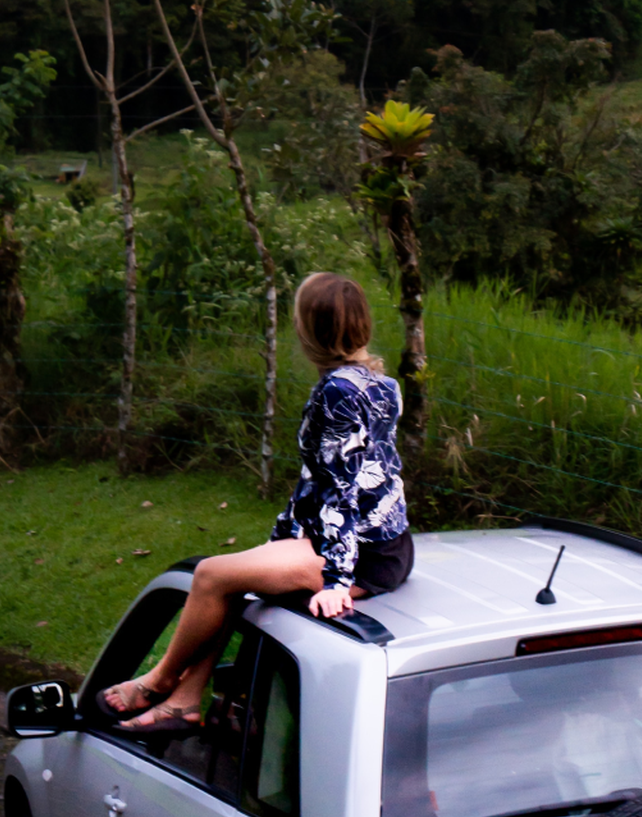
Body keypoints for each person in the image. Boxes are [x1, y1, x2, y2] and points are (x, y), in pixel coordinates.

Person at [101, 271, 413, 730]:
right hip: (386, 543)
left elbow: (343, 489)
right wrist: (284, 536)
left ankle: (160, 680)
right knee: (233, 580)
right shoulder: (380, 382)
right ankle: (186, 702)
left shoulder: (337, 393)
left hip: (359, 556)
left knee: (209, 575)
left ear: (309, 331)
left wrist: (336, 582)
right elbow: (354, 477)